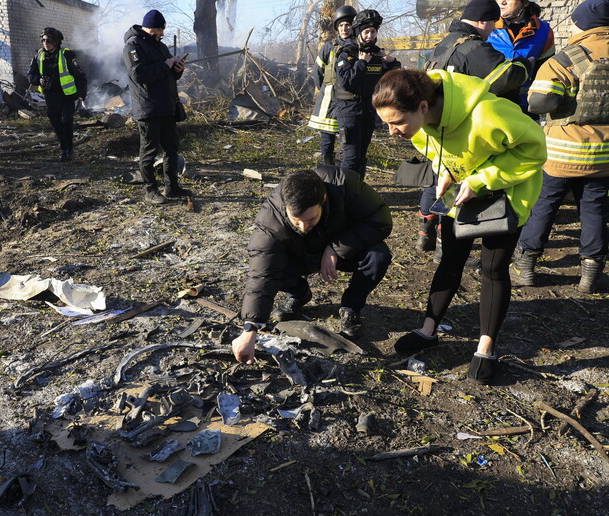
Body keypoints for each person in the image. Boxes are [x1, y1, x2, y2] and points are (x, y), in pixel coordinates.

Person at [373, 69, 546, 384]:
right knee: (450, 259)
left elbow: (535, 150)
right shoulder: (420, 128)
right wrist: (446, 174)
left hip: (507, 194)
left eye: (396, 122)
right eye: (386, 123)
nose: (391, 131)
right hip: (462, 192)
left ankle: (486, 348)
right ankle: (428, 330)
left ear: (423, 107)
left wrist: (481, 180)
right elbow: (441, 155)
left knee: (493, 268)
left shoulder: (487, 114)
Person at [231, 167, 392, 364]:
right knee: (272, 268)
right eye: (296, 222)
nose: (304, 227)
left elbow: (380, 219)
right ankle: (298, 294)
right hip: (300, 255)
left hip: (343, 247)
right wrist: (250, 329)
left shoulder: (344, 185)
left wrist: (336, 248)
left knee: (378, 256)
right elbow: (261, 274)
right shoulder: (270, 221)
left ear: (323, 199)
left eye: (310, 219)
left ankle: (351, 307)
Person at [416, 0, 532, 257]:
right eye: (491, 23)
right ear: (481, 21)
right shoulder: (475, 48)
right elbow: (507, 77)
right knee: (468, 188)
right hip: (467, 134)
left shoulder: (444, 44)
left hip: (439, 133)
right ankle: (460, 249)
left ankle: (432, 234)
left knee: (441, 183)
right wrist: (526, 64)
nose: (492, 30)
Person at [510, 0, 609, 293]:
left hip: (562, 153)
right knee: (594, 210)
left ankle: (525, 266)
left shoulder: (568, 57)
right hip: (604, 154)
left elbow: (540, 101)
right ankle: (591, 273)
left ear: (584, 24)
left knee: (544, 205)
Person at [123, 9, 189, 205]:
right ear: (151, 27)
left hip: (166, 106)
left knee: (171, 148)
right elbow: (139, 75)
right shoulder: (133, 45)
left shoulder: (160, 47)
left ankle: (172, 187)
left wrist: (177, 70)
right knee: (149, 151)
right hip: (148, 107)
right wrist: (166, 65)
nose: (161, 35)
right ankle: (150, 191)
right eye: (159, 31)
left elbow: (167, 74)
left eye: (162, 32)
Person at [334, 9, 400, 179]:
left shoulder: (378, 54)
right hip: (348, 110)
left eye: (373, 31)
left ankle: (357, 191)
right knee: (351, 156)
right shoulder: (347, 53)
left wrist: (393, 63)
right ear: (358, 33)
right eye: (367, 32)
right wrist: (362, 63)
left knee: (362, 156)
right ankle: (343, 193)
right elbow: (347, 82)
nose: (370, 35)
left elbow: (394, 82)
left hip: (368, 110)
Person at [27, 27, 88, 162]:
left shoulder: (66, 55)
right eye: (43, 40)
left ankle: (69, 150)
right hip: (51, 96)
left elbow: (80, 76)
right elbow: (31, 74)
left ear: (56, 42)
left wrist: (81, 94)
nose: (45, 43)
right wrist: (38, 80)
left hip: (67, 95)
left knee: (66, 121)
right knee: (55, 122)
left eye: (48, 40)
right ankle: (63, 148)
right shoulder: (38, 56)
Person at [307, 5, 356, 166]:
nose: (344, 28)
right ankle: (328, 167)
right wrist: (326, 89)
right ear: (337, 28)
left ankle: (347, 170)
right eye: (341, 25)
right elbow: (318, 72)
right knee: (327, 137)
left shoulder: (358, 47)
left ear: (353, 26)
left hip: (349, 99)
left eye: (347, 25)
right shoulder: (329, 47)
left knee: (349, 137)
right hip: (328, 99)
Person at [487, 0, 555, 116]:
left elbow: (544, 74)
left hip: (525, 109)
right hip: (490, 105)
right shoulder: (486, 25)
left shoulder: (544, 31)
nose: (502, 2)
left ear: (525, 3)